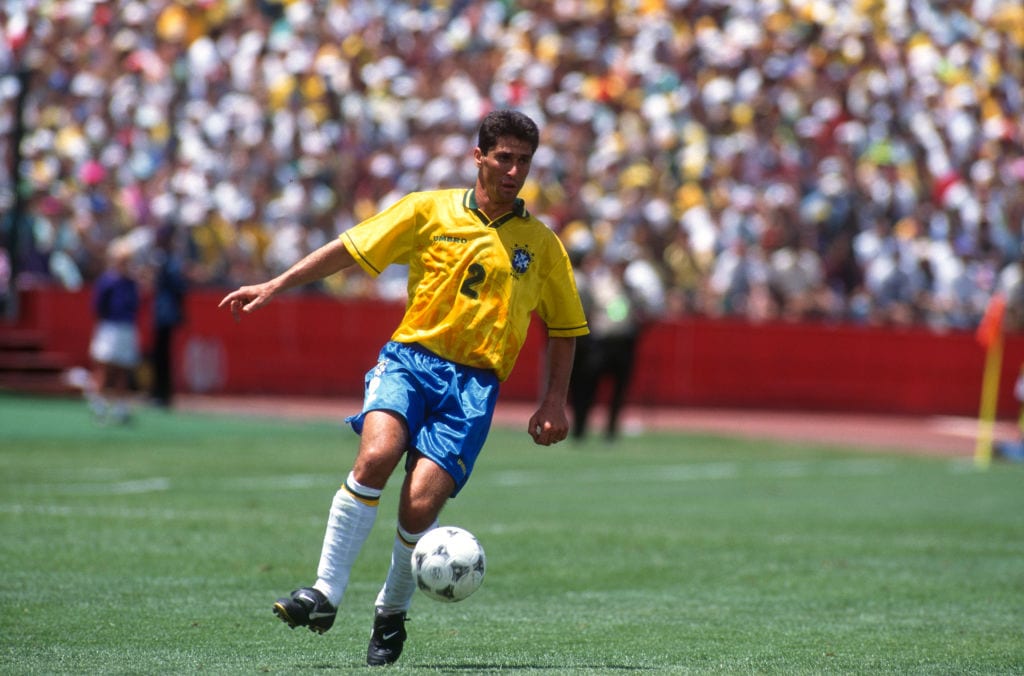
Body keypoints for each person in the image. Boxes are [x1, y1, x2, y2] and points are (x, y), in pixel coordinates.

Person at [218, 110, 588, 666]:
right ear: (479, 157)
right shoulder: (427, 209)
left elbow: (564, 330)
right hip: (410, 362)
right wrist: (277, 282)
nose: (514, 171)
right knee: (377, 456)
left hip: (473, 387)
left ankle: (390, 611)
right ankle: (324, 594)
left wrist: (555, 400)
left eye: (524, 161)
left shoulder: (542, 245)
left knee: (418, 507)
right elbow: (350, 248)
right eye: (504, 158)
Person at [86, 240, 141, 424]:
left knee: (123, 369)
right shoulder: (108, 281)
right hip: (110, 326)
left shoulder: (131, 282)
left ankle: (120, 406)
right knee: (104, 367)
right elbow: (98, 307)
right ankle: (99, 403)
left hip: (126, 327)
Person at [149, 225, 188, 408]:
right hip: (164, 311)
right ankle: (160, 391)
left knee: (163, 354)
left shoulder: (170, 260)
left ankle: (162, 393)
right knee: (160, 354)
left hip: (166, 312)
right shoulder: (167, 259)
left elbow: (177, 285)